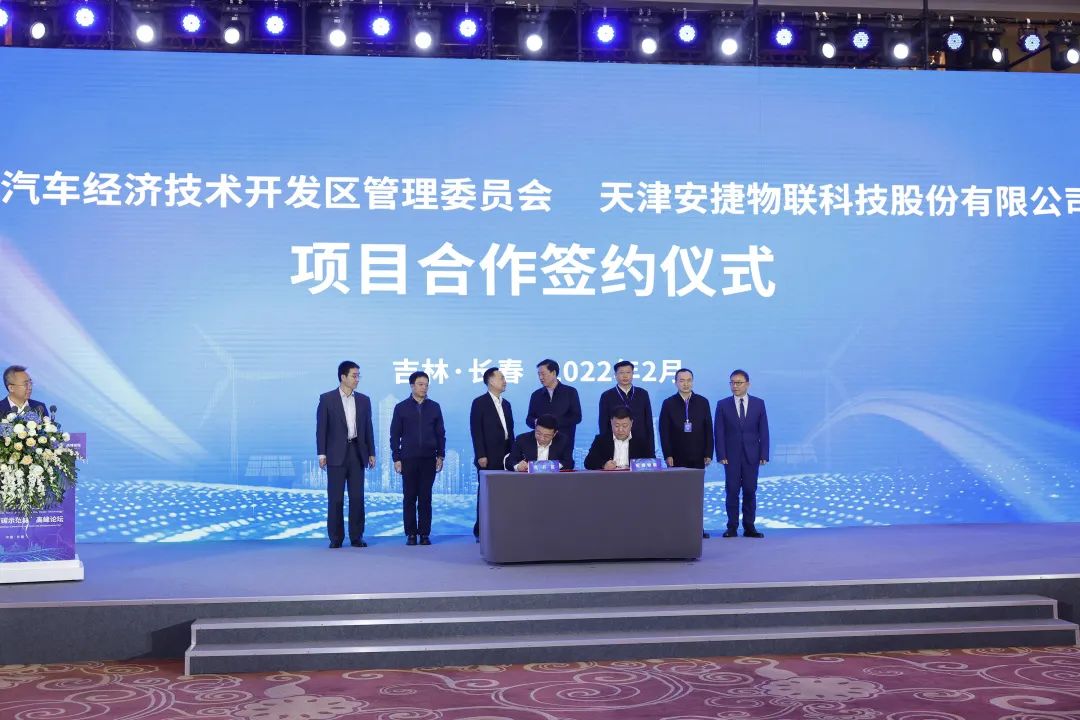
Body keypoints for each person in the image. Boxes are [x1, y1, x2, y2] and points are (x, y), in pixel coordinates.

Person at [316, 361, 376, 549]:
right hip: (335, 454)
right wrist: (321, 454)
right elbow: (321, 428)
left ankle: (357, 536)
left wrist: (371, 452)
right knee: (336, 498)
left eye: (358, 376)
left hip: (357, 452)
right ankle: (336, 538)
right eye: (354, 375)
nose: (357, 379)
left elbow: (368, 428)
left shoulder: (364, 400)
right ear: (343, 377)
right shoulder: (327, 399)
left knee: (357, 498)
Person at [390, 371, 446, 546]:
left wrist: (440, 455)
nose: (424, 388)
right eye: (421, 384)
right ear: (412, 386)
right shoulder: (401, 407)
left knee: (425, 497)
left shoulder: (434, 407)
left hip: (429, 458)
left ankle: (424, 534)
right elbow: (394, 435)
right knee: (409, 497)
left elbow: (440, 433)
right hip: (408, 458)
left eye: (426, 385)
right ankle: (411, 534)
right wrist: (396, 458)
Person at [658, 368, 714, 538]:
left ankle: (697, 529)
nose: (685, 384)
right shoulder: (668, 403)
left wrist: (708, 452)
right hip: (676, 456)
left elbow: (708, 429)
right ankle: (678, 528)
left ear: (693, 382)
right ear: (676, 382)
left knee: (696, 495)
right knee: (677, 494)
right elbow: (664, 431)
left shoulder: (702, 402)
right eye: (681, 380)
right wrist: (668, 454)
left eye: (689, 380)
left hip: (698, 455)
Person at [714, 369, 769, 538]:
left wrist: (764, 454)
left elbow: (764, 430)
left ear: (748, 384)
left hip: (752, 455)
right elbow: (719, 431)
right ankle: (732, 527)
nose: (735, 386)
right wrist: (721, 454)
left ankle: (749, 526)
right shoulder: (723, 404)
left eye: (738, 383)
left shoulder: (759, 404)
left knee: (750, 490)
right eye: (732, 382)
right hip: (730, 456)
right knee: (732, 491)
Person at [469, 367, 514, 540]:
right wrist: (481, 454)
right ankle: (480, 530)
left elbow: (510, 431)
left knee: (505, 494)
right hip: (487, 456)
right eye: (501, 378)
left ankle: (502, 528)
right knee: (486, 494)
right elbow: (476, 431)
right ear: (491, 381)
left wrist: (515, 454)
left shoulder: (506, 404)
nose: (505, 381)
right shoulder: (479, 402)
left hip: (507, 456)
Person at [597, 360, 655, 457]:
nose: (625, 376)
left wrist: (651, 450)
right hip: (616, 444)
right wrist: (606, 448)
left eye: (628, 372)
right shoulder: (607, 395)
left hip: (640, 443)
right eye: (621, 373)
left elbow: (648, 422)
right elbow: (603, 424)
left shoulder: (642, 394)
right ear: (615, 375)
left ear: (633, 374)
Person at [526, 359, 582, 451]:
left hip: (564, 443)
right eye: (539, 374)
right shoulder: (536, 395)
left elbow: (576, 417)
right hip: (541, 444)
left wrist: (552, 423)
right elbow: (529, 419)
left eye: (543, 374)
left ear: (554, 373)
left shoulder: (570, 392)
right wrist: (537, 422)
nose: (540, 377)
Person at [584, 407, 654, 470]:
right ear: (611, 422)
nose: (620, 430)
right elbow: (588, 462)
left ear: (631, 423)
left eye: (624, 426)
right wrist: (604, 465)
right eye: (617, 426)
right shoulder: (601, 440)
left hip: (633, 478)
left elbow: (652, 462)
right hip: (609, 478)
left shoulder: (641, 441)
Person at [505, 414, 574, 471]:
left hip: (554, 479)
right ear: (535, 428)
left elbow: (569, 463)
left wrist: (550, 467)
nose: (541, 438)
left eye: (546, 436)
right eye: (538, 433)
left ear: (555, 434)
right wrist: (518, 467)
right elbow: (509, 461)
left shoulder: (563, 441)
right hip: (528, 480)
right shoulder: (522, 439)